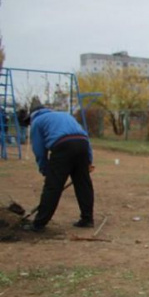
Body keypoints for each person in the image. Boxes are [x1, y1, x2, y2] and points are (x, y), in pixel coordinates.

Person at [23, 100, 95, 233]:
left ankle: (39, 224)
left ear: (32, 116)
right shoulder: (65, 115)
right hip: (82, 145)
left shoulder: (37, 122)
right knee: (83, 184)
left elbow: (39, 150)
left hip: (63, 146)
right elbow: (84, 137)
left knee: (52, 187)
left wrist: (45, 170)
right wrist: (89, 161)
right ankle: (87, 219)